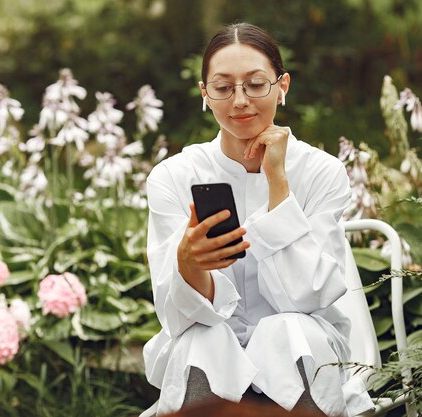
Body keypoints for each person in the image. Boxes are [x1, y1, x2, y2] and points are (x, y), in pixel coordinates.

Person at [142, 23, 374, 417]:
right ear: (205, 94)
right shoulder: (174, 177)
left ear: (282, 86)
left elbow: (307, 298)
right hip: (207, 344)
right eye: (223, 87)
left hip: (307, 344)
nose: (240, 101)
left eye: (255, 84)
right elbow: (178, 316)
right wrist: (188, 264)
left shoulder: (322, 172)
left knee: (286, 331)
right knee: (204, 339)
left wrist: (278, 181)